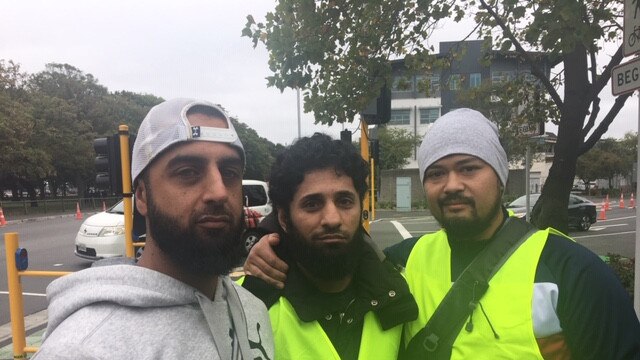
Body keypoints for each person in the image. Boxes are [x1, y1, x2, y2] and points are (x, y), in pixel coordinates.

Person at [245, 109, 640, 359]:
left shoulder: (570, 271)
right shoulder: (401, 261)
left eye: (468, 168)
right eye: (435, 173)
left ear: (501, 177)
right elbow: (333, 247)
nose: (451, 184)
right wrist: (270, 243)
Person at [34, 98, 274, 360]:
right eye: (188, 172)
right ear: (143, 196)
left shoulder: (253, 310)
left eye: (229, 172)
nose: (218, 192)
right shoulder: (84, 348)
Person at [242, 133, 417, 360]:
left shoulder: (402, 288)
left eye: (344, 201)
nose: (332, 219)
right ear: (284, 219)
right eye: (312, 204)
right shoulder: (247, 305)